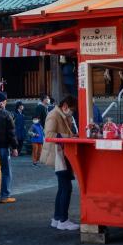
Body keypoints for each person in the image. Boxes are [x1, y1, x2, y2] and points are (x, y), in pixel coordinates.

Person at [40, 95, 79, 231]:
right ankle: (63, 219)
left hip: (61, 153)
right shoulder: (55, 115)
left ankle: (57, 218)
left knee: (62, 188)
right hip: (59, 155)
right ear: (66, 106)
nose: (72, 112)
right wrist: (69, 137)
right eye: (72, 109)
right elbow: (49, 134)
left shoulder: (61, 114)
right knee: (66, 188)